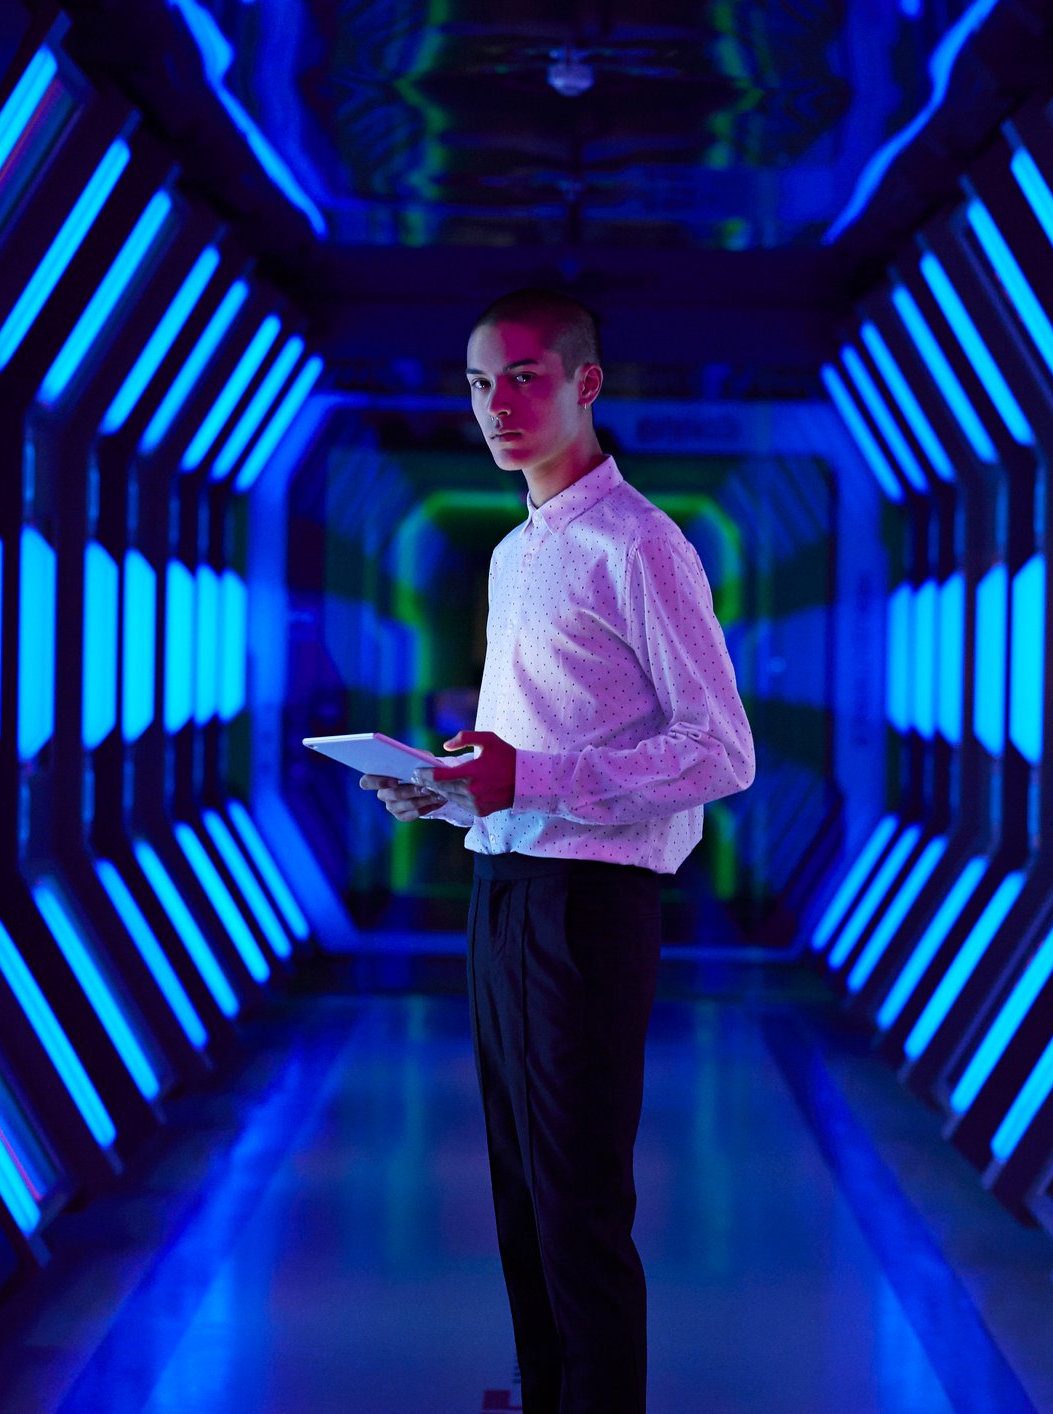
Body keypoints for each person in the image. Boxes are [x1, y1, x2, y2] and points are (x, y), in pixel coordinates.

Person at [358, 288, 755, 1413]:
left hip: (589, 908)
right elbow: (522, 753)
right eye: (481, 383)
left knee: (579, 1205)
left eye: (526, 376)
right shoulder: (513, 551)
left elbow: (720, 750)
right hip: (504, 884)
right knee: (520, 1191)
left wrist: (524, 780)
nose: (498, 405)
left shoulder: (641, 546)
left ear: (587, 384)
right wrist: (444, 793)